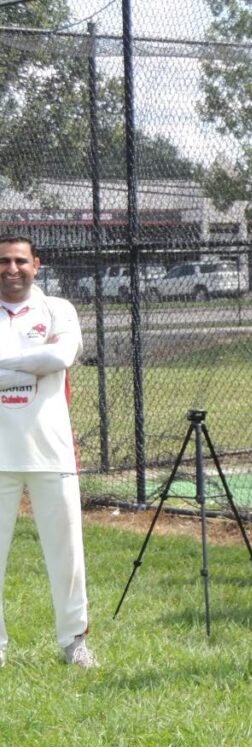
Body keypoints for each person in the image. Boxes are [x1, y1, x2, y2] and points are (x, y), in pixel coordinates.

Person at [0, 235, 97, 669]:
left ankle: (74, 641)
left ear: (36, 264)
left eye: (20, 260)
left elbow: (60, 357)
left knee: (67, 552)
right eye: (3, 261)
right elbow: (44, 360)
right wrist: (31, 361)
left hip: (51, 451)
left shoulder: (59, 309)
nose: (11, 268)